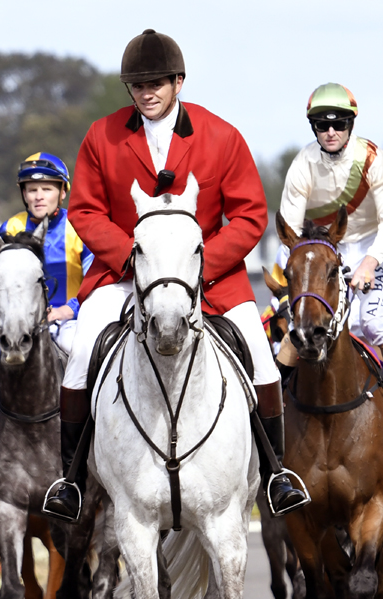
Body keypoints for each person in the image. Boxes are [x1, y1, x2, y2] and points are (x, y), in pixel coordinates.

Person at [41, 29, 309, 522]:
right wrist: (131, 257)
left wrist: (200, 266)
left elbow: (250, 215)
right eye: (137, 85)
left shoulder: (221, 136)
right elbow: (85, 209)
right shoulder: (102, 136)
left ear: (178, 81)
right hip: (123, 273)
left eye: (157, 83)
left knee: (264, 362)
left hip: (208, 277)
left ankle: (276, 475)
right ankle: (71, 481)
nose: (147, 93)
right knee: (81, 356)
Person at [275, 83, 383, 434]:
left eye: (339, 124)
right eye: (322, 125)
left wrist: (369, 264)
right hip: (325, 250)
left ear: (351, 125)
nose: (330, 132)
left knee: (372, 325)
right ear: (313, 127)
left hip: (373, 246)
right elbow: (290, 231)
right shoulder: (303, 164)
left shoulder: (373, 160)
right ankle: (271, 405)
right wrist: (294, 278)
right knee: (300, 328)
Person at [0, 152, 93, 364]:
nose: (38, 196)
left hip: (69, 319)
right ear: (24, 194)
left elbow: (94, 278)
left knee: (77, 348)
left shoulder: (79, 227)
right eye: (32, 190)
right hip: (17, 318)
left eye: (47, 189)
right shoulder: (10, 228)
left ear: (62, 192)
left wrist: (68, 310)